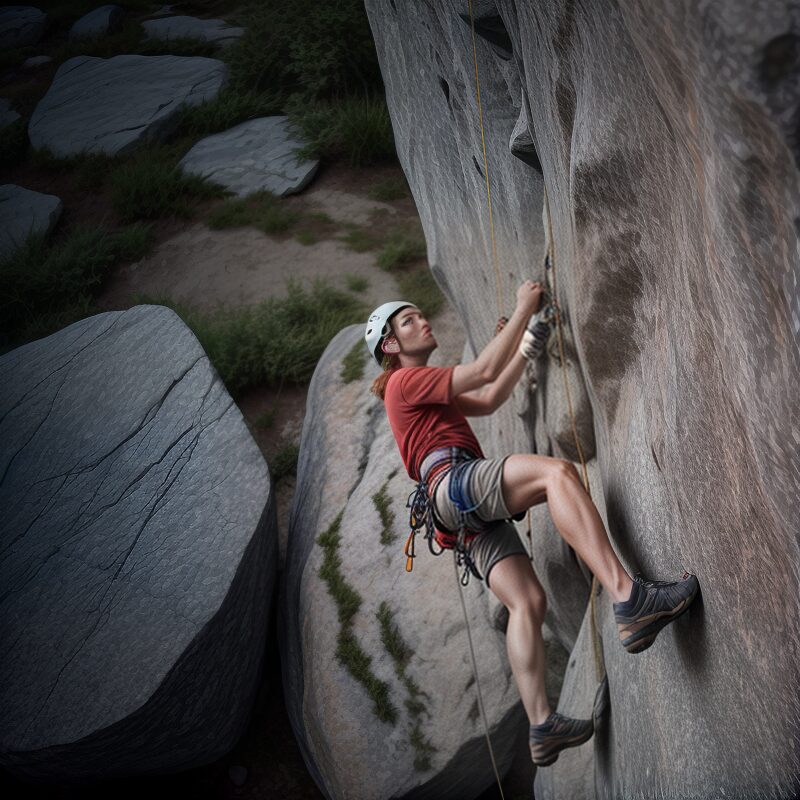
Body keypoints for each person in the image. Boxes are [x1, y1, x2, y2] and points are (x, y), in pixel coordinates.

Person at [364, 281, 700, 768]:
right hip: (454, 481)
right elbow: (481, 369)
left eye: (419, 314)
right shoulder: (403, 382)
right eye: (409, 320)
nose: (423, 321)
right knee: (556, 474)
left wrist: (527, 344)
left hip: (454, 516)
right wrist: (525, 307)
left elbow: (491, 394)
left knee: (528, 601)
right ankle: (630, 598)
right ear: (391, 345)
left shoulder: (425, 390)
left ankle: (541, 726)